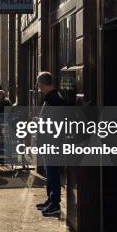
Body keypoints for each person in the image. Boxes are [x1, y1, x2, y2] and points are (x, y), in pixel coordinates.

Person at [35, 72, 66, 217]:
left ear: (42, 84)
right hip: (49, 141)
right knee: (50, 173)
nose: (38, 88)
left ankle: (55, 204)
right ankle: (50, 200)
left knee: (53, 173)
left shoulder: (54, 99)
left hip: (51, 142)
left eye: (39, 85)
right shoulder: (52, 98)